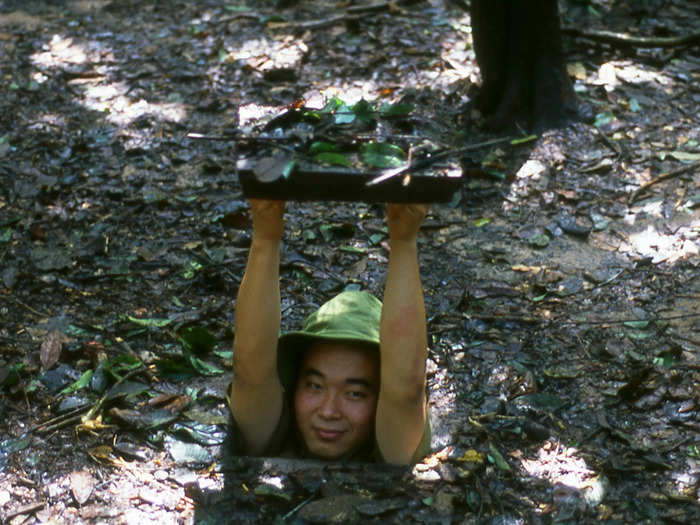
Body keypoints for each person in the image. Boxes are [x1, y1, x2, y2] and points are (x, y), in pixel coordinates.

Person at [229, 200, 431, 464]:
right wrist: (266, 234)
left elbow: (406, 389)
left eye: (355, 393)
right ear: (293, 388)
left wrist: (404, 240)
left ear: (382, 398)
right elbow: (250, 371)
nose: (328, 411)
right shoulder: (270, 427)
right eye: (314, 386)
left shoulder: (398, 443)